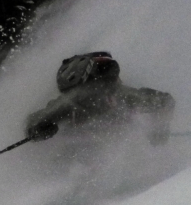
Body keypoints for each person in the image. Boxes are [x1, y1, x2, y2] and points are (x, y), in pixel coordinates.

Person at [25, 52, 175, 144]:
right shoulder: (68, 104)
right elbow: (33, 122)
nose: (115, 82)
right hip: (74, 165)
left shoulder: (123, 96)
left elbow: (165, 101)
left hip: (121, 163)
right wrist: (38, 130)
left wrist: (160, 127)